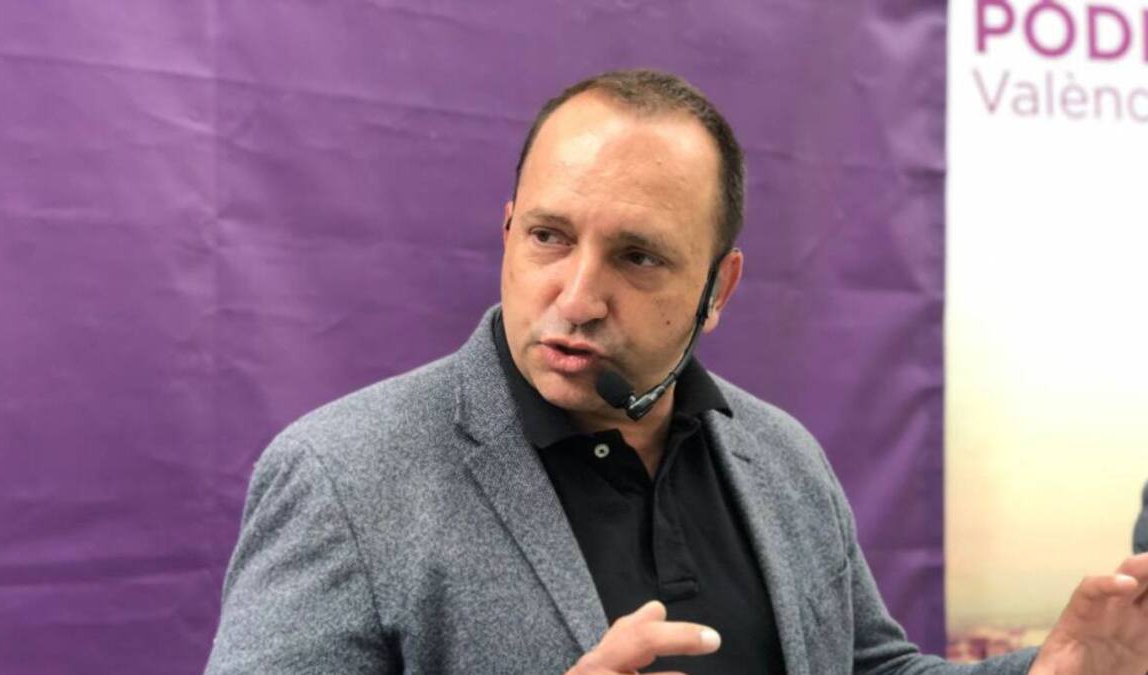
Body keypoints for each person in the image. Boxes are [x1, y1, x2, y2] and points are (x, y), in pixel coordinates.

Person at [204, 69, 1148, 674]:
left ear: (717, 288)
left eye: (638, 256)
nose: (578, 295)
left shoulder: (780, 456)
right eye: (549, 237)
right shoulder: (342, 474)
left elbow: (868, 667)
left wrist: (1043, 671)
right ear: (508, 232)